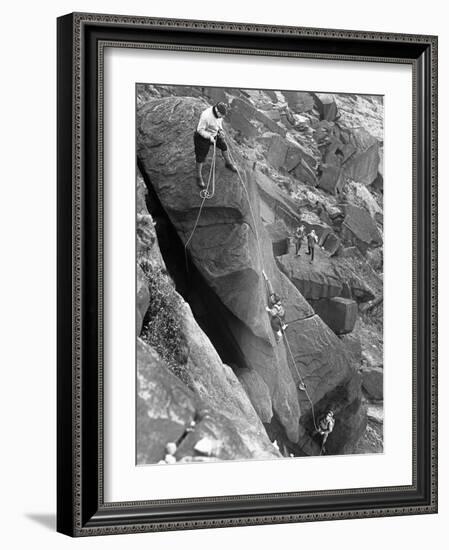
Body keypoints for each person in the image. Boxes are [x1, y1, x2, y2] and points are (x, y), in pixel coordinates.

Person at [194, 102, 237, 188]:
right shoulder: (206, 116)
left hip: (214, 134)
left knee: (224, 147)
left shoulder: (219, 114)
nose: (223, 117)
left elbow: (219, 124)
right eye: (222, 115)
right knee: (200, 157)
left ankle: (228, 163)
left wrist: (221, 131)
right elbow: (200, 130)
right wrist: (209, 137)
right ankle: (199, 176)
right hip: (202, 137)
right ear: (217, 112)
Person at [262, 271, 288, 343]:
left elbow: (273, 313)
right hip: (281, 314)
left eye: (272, 298)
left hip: (279, 316)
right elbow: (269, 285)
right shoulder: (273, 296)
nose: (271, 298)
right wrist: (265, 276)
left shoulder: (276, 306)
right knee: (280, 321)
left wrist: (267, 309)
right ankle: (283, 326)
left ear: (275, 301)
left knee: (274, 323)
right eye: (272, 297)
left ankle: (279, 334)